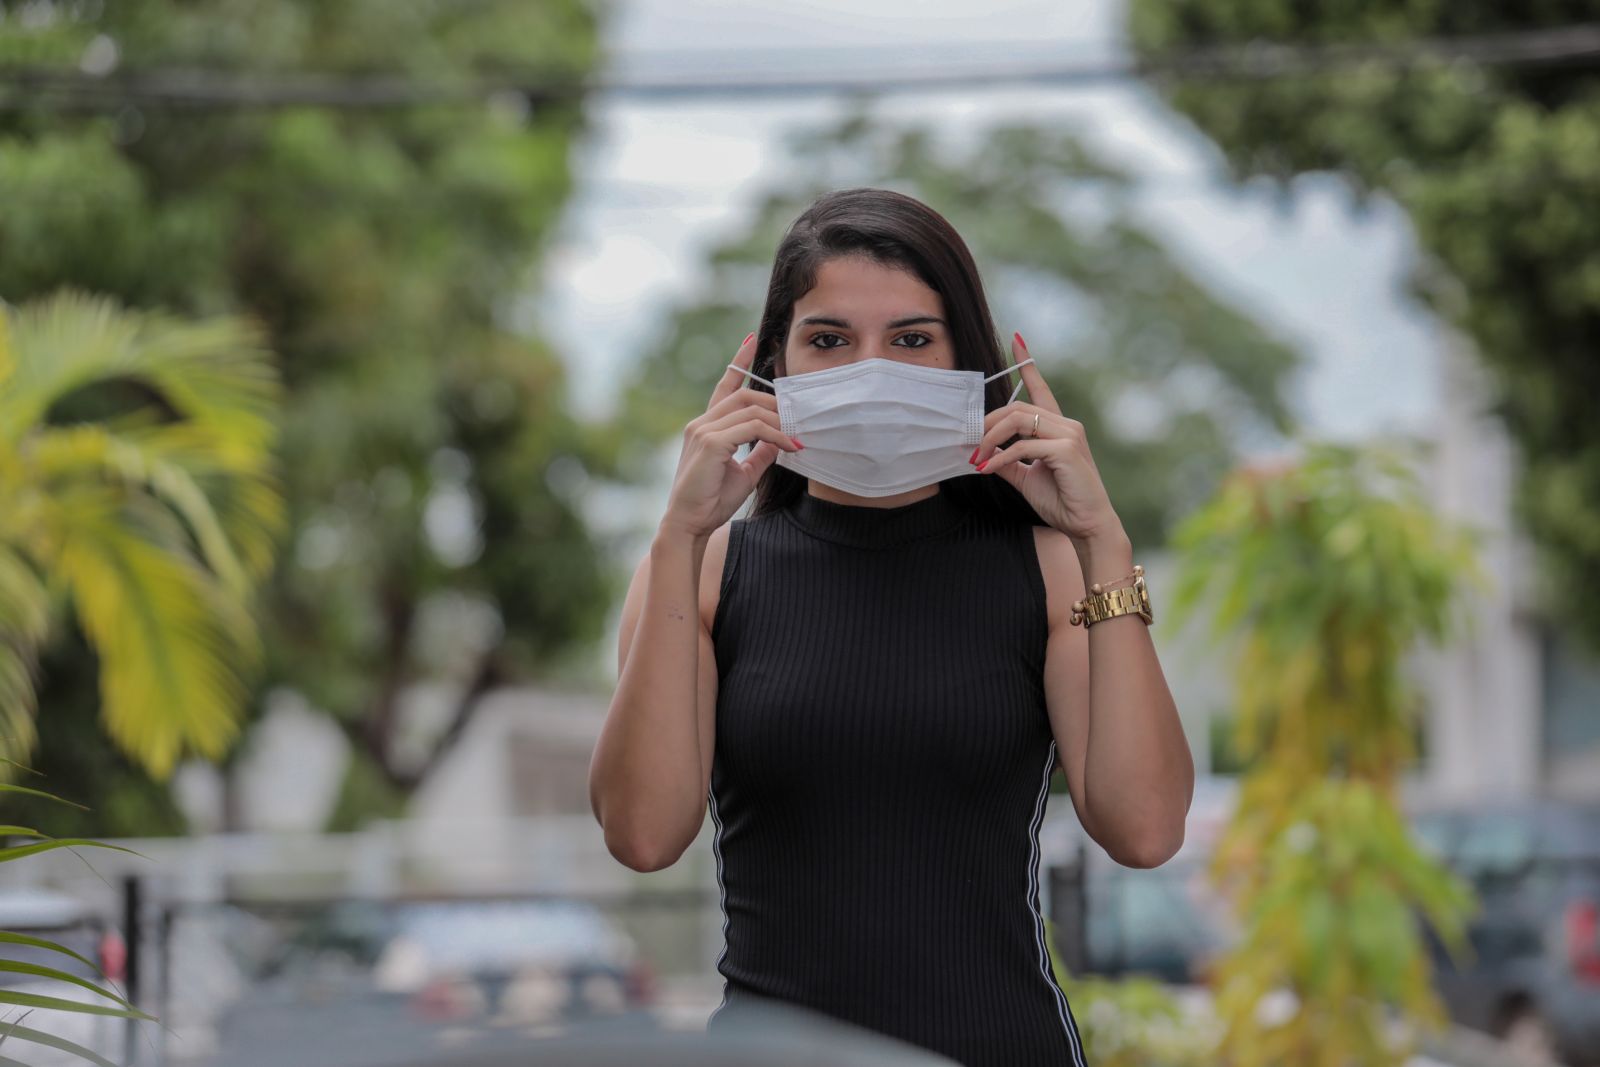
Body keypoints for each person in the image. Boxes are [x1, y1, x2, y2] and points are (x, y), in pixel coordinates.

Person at [588, 187, 1194, 1067]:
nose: (872, 368)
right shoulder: (703, 573)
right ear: (775, 368)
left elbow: (1145, 829)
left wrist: (1103, 540)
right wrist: (678, 535)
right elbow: (642, 836)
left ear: (968, 364)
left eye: (912, 339)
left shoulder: (1051, 568)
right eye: (829, 340)